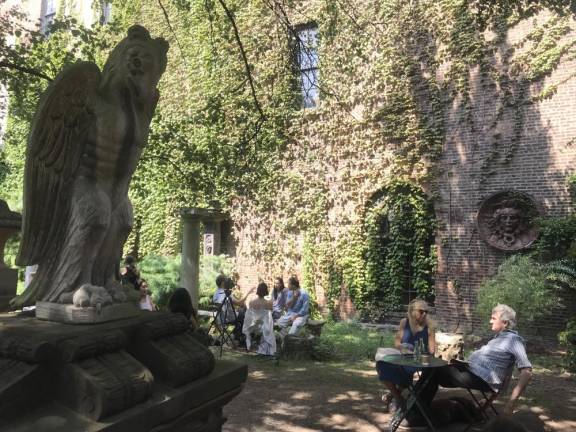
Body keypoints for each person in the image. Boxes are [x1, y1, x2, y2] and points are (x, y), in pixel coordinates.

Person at [403, 304, 532, 429]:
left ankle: (414, 414)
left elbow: (527, 371)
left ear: (505, 323)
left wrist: (511, 403)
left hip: (483, 379)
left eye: (493, 318)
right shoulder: (498, 338)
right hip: (471, 373)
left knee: (434, 369)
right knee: (433, 370)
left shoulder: (514, 340)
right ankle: (413, 411)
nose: (490, 321)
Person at [376, 299, 436, 413]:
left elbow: (432, 351)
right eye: (421, 311)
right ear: (413, 311)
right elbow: (397, 343)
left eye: (426, 312)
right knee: (381, 364)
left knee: (405, 370)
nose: (424, 314)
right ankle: (398, 396)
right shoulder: (404, 322)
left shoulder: (429, 327)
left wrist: (423, 352)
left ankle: (394, 398)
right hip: (403, 356)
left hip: (418, 360)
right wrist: (403, 348)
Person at [212, 275, 254, 345]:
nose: (227, 282)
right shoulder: (225, 294)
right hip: (230, 318)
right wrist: (248, 293)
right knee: (245, 313)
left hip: (219, 319)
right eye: (226, 281)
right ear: (222, 283)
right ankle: (242, 337)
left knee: (243, 313)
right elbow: (240, 303)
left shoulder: (215, 294)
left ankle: (237, 335)